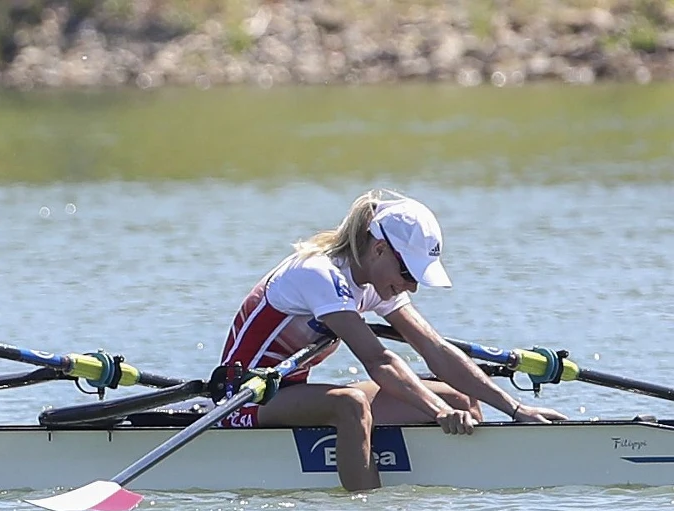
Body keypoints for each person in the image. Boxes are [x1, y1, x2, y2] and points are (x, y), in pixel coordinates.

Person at [218, 189, 566, 491]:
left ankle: (455, 492)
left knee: (462, 400)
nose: (411, 286)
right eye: (408, 273)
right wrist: (438, 412)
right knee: (350, 404)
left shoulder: (373, 281)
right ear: (379, 250)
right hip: (242, 400)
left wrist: (516, 409)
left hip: (288, 389)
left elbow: (436, 350)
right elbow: (379, 360)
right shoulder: (319, 275)